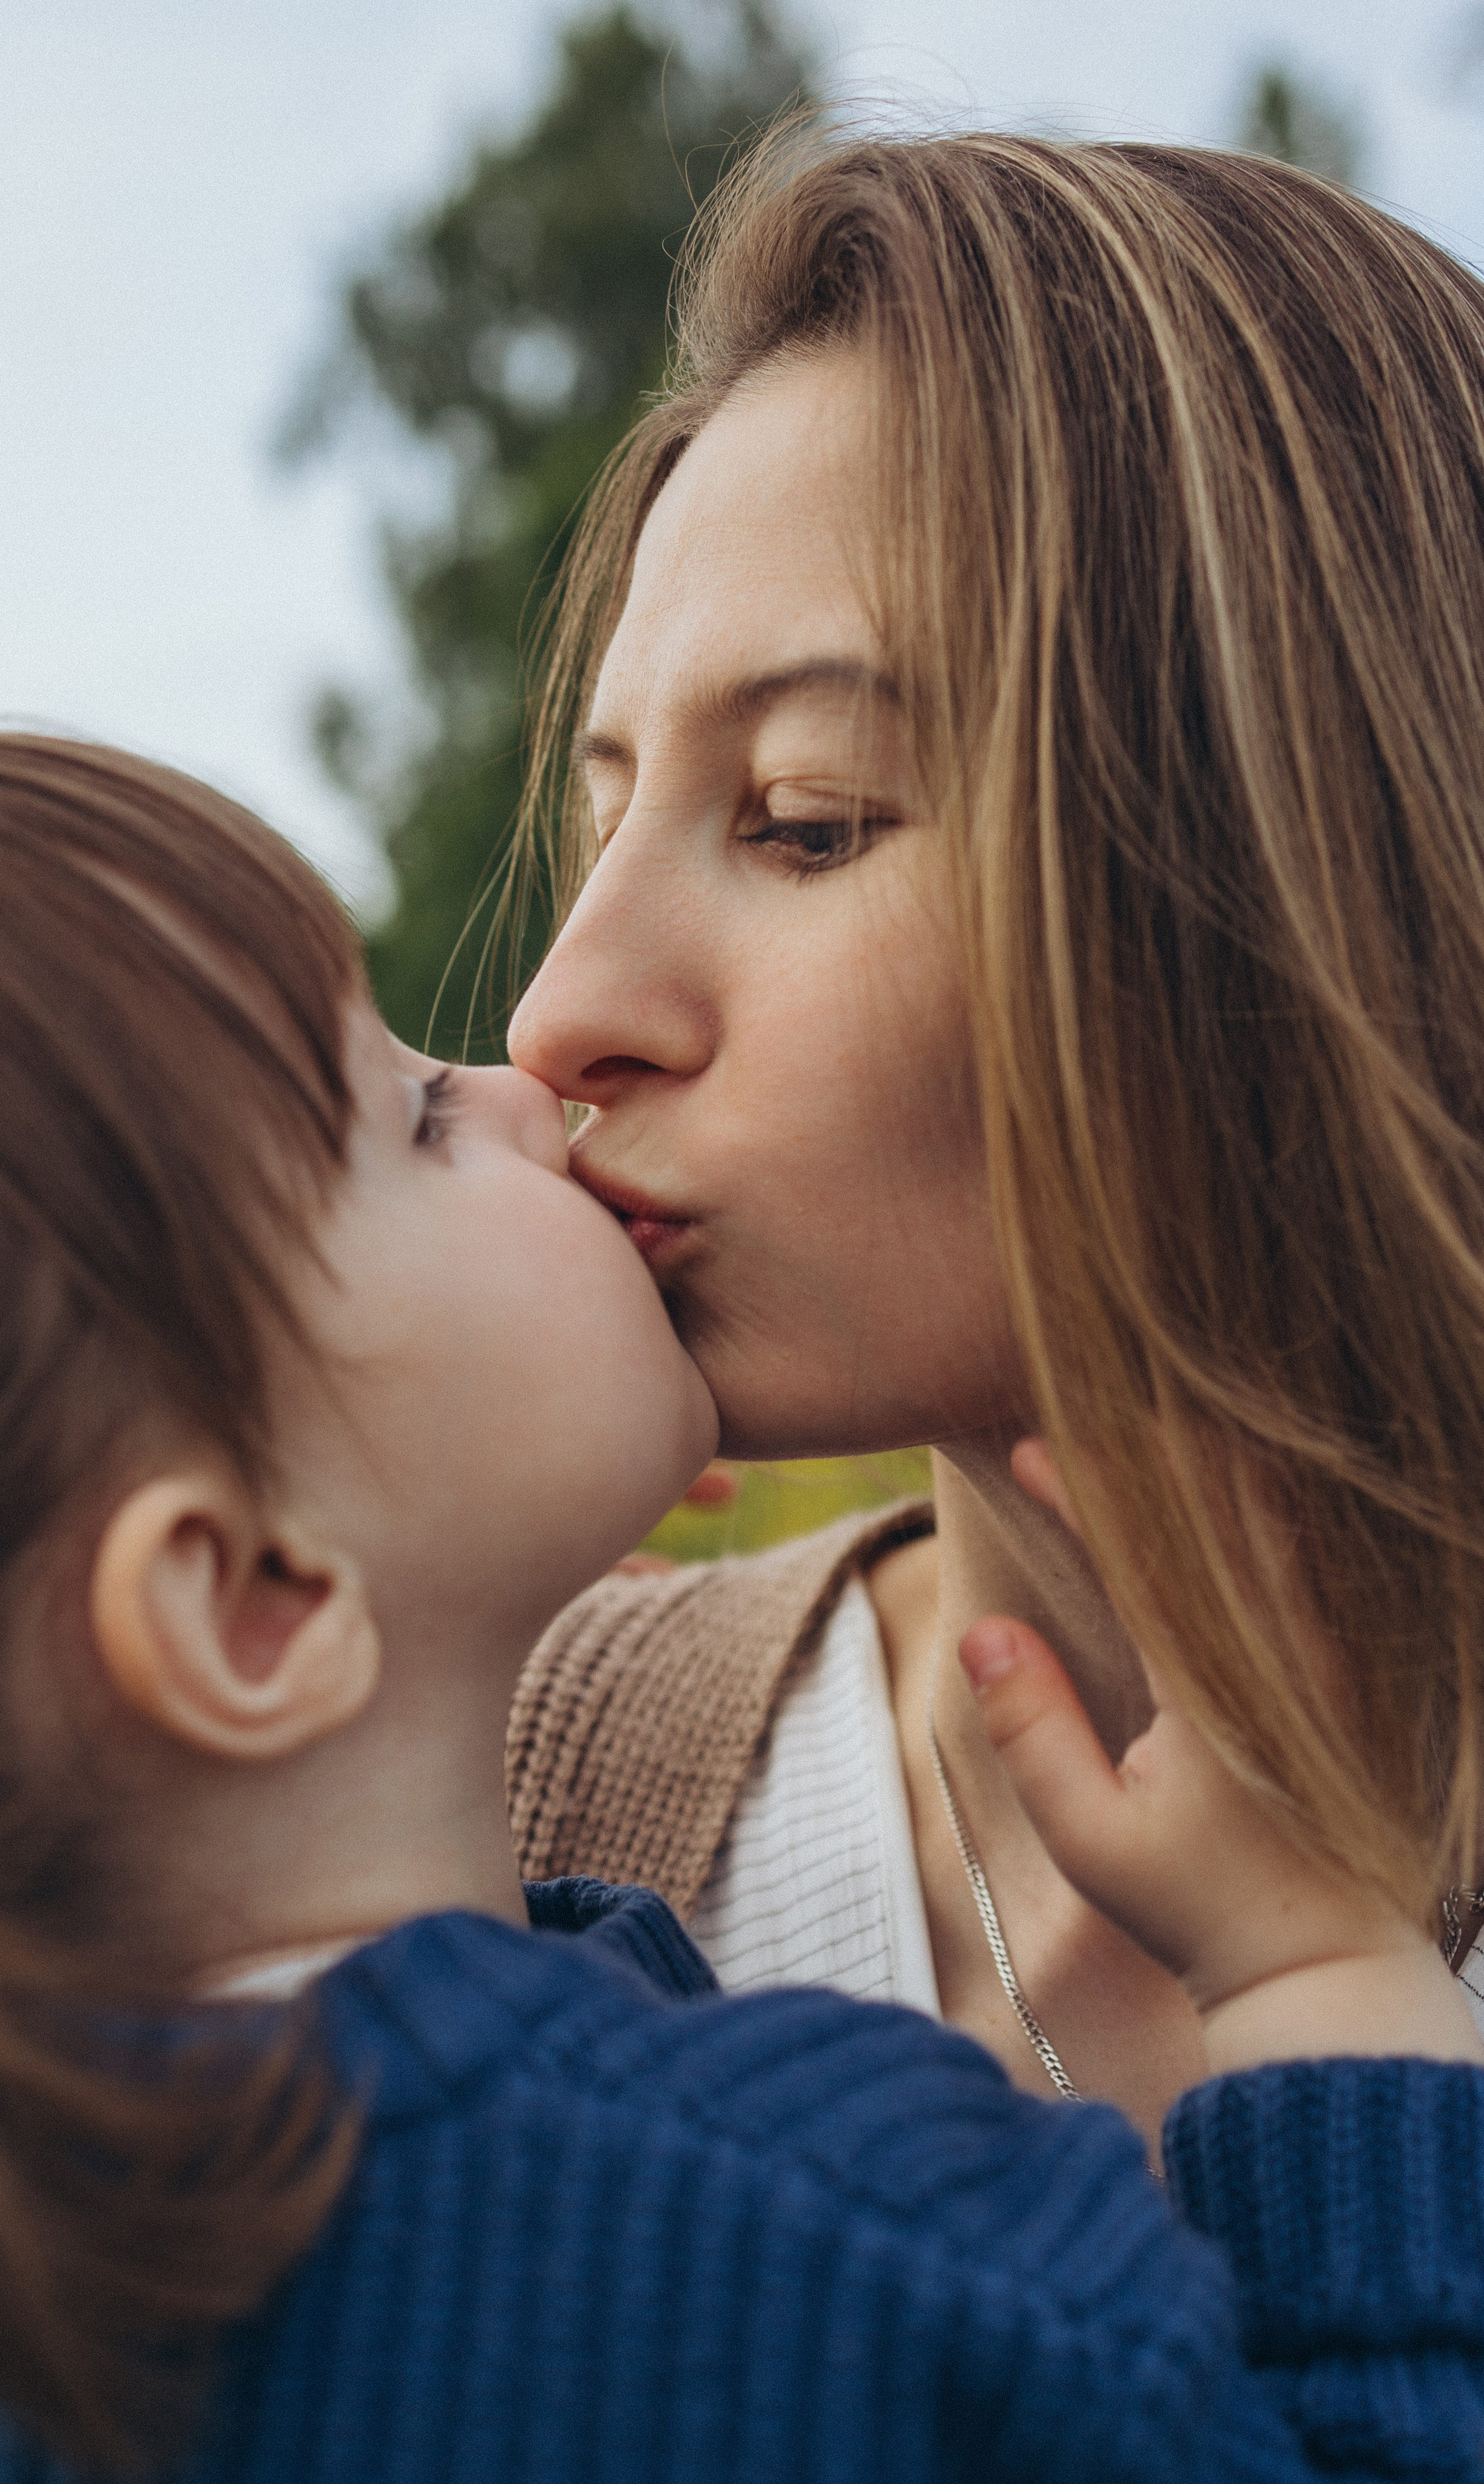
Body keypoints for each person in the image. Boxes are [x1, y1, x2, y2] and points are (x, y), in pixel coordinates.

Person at [0, 731, 1481, 2481]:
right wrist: (1314, 1969)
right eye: (416, 1121)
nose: (531, 1063)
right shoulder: (832, 2235)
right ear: (254, 1604)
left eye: (806, 825)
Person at [505, 129, 1484, 2153]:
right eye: (605, 830)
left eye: (805, 821)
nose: (559, 1014)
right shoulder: (518, 1788)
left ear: (1314, 862)